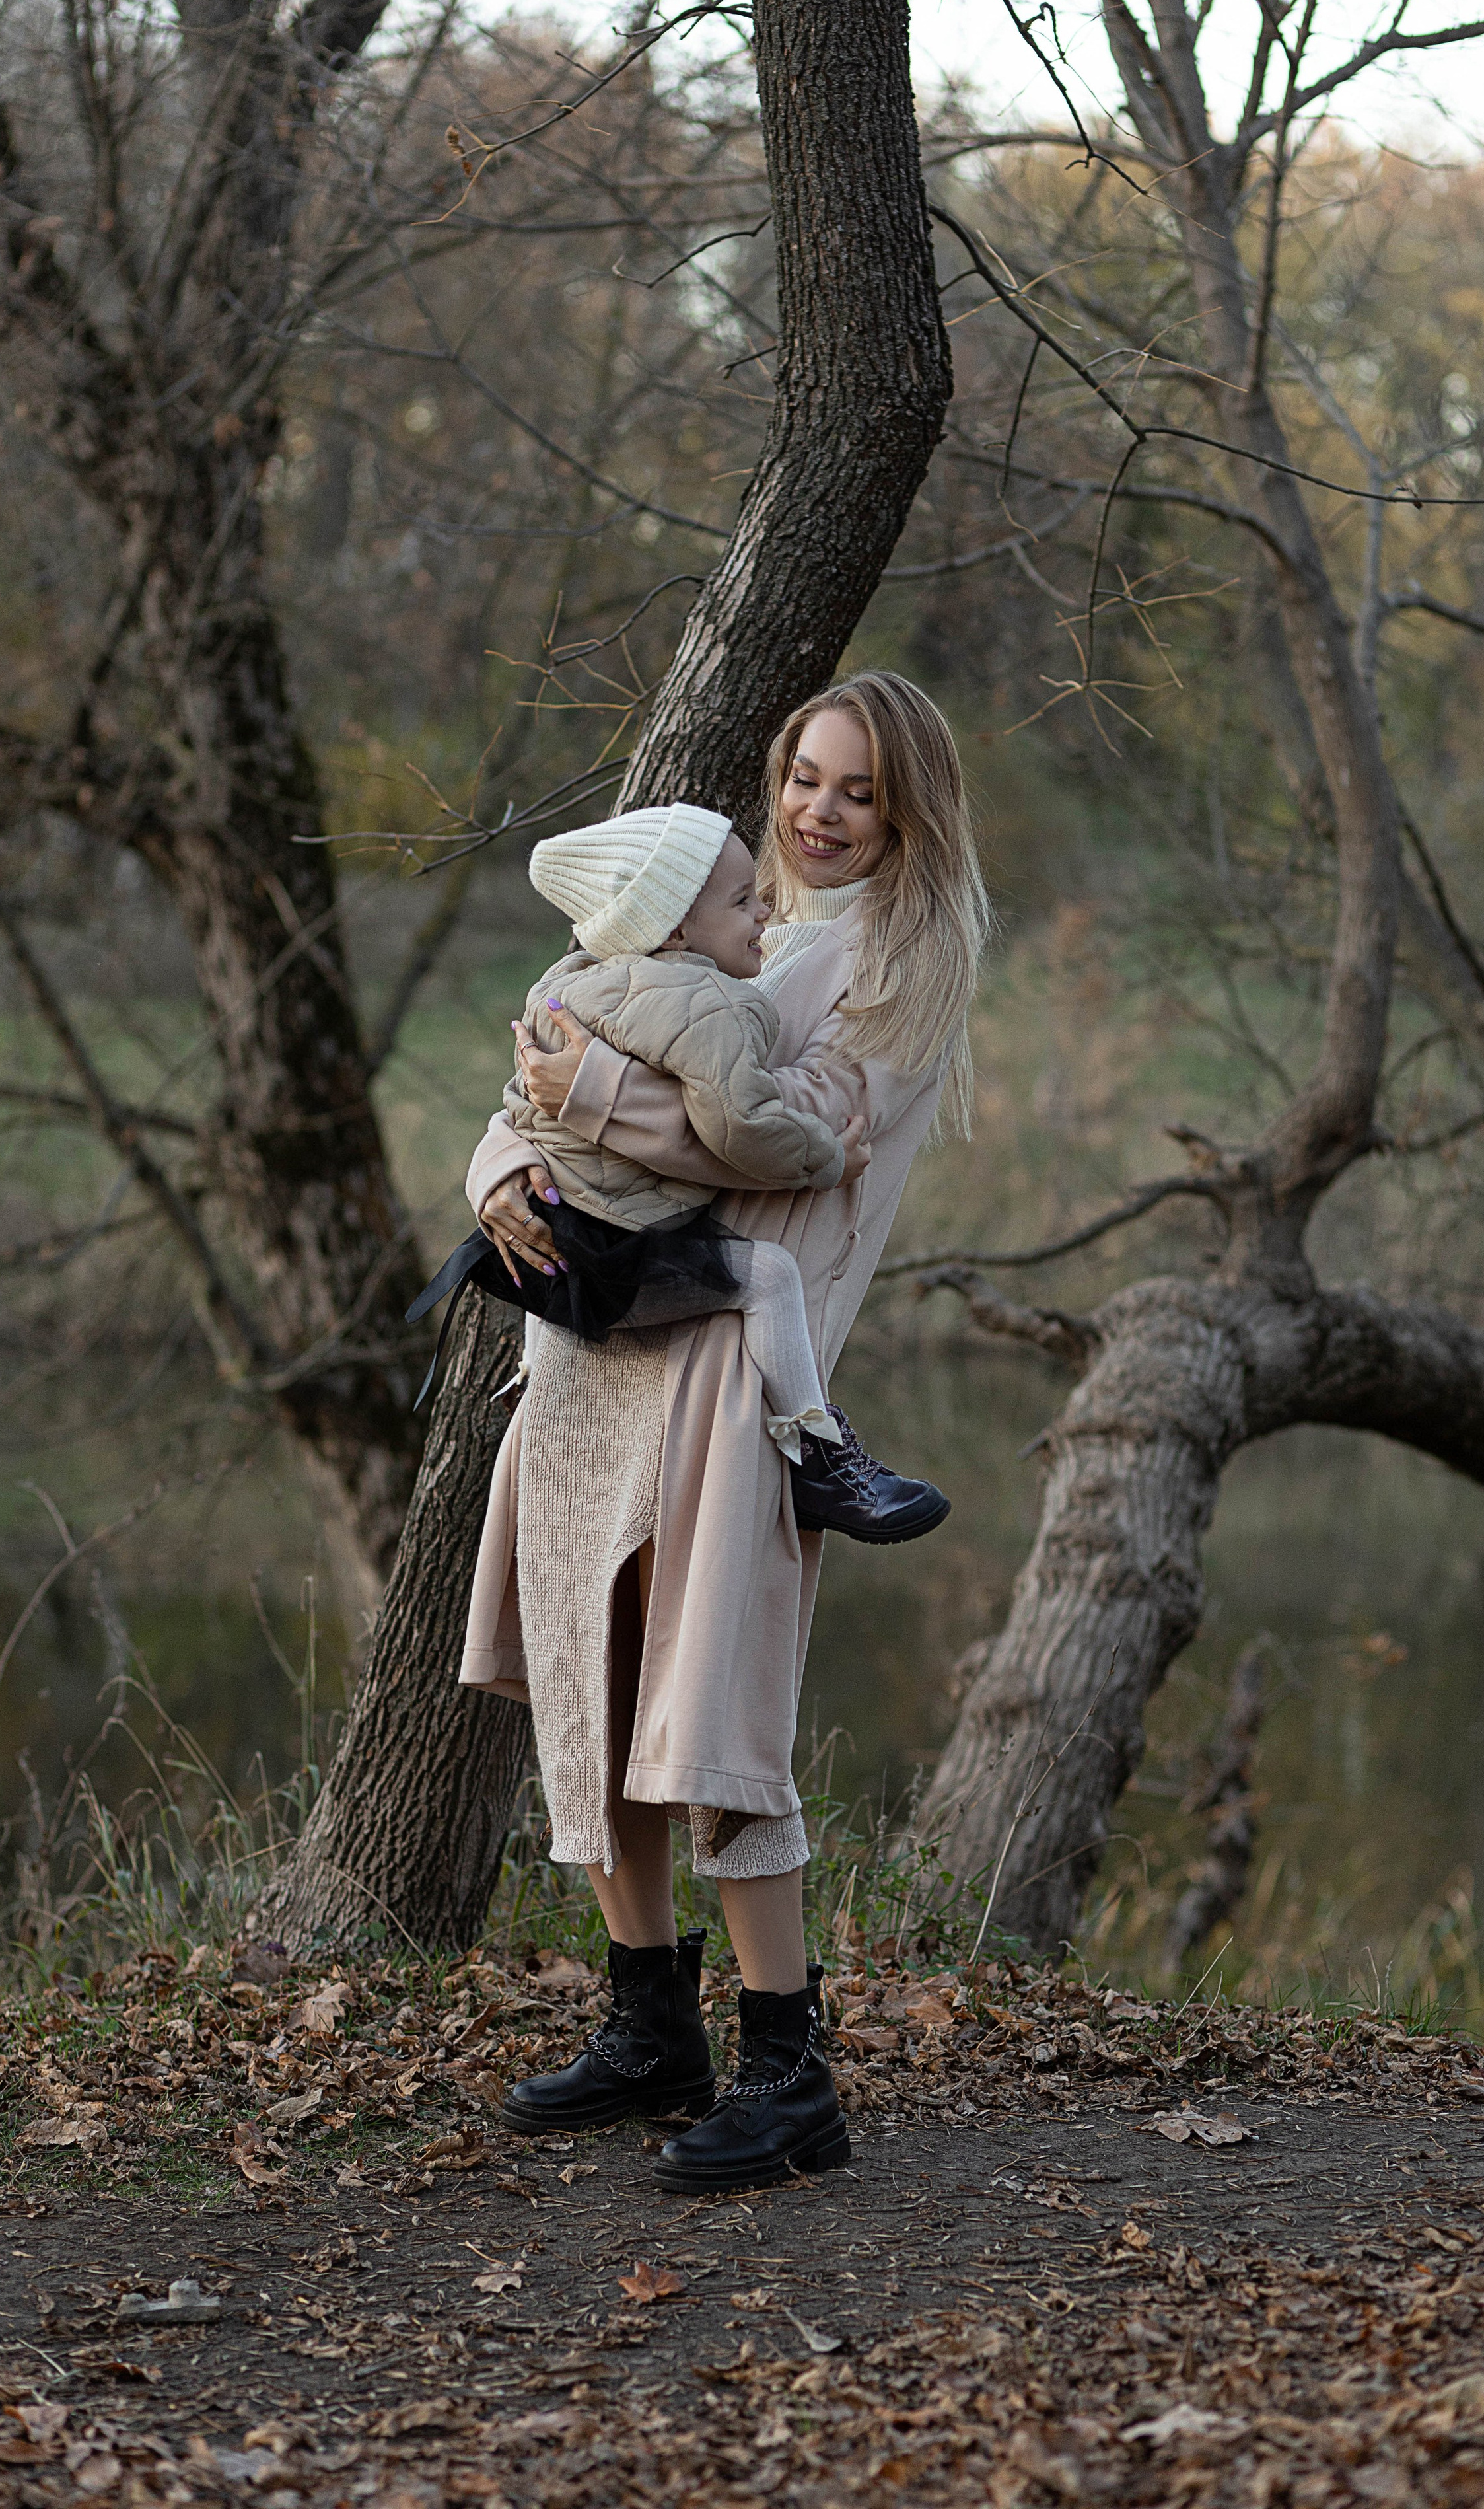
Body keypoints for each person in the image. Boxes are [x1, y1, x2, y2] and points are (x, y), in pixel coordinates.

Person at [460, 670, 990, 2191]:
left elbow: (781, 1143)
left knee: (714, 1716)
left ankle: (788, 2071)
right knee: (596, 1680)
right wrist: (501, 1163)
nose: (819, 812)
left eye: (857, 791)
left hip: (729, 1365)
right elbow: (540, 1060)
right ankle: (649, 2029)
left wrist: (590, 1087)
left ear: (906, 815)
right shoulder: (709, 918)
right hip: (591, 1340)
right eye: (804, 778)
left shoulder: (897, 962)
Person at [486, 799, 948, 1535]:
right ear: (672, 928)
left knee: (564, 1209)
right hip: (627, 1252)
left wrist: (496, 1172)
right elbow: (740, 1125)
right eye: (741, 902)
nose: (761, 910)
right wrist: (829, 1160)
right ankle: (816, 1451)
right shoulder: (712, 1004)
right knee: (769, 1279)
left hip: (549, 1255)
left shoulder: (567, 983)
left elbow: (519, 1108)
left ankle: (530, 1380)